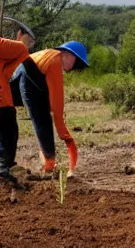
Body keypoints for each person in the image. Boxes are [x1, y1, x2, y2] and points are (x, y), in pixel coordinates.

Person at [10, 41, 89, 176]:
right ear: (66, 54)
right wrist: (63, 132)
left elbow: (53, 97)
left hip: (26, 76)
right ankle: (49, 165)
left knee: (43, 118)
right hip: (27, 77)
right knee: (43, 120)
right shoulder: (55, 60)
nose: (75, 66)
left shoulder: (51, 57)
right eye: (75, 61)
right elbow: (57, 98)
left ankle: (47, 161)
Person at [0, 31, 33, 180]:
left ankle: (3, 167)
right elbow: (20, 49)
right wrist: (23, 42)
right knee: (7, 130)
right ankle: (3, 167)